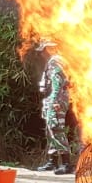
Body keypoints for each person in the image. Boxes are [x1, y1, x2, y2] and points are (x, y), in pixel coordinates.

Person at [37, 45, 75, 175]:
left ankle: (66, 163)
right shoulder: (55, 61)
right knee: (50, 129)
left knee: (56, 128)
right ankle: (52, 162)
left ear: (50, 49)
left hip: (56, 100)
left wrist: (54, 103)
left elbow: (56, 85)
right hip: (52, 100)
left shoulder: (55, 62)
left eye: (43, 50)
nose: (42, 54)